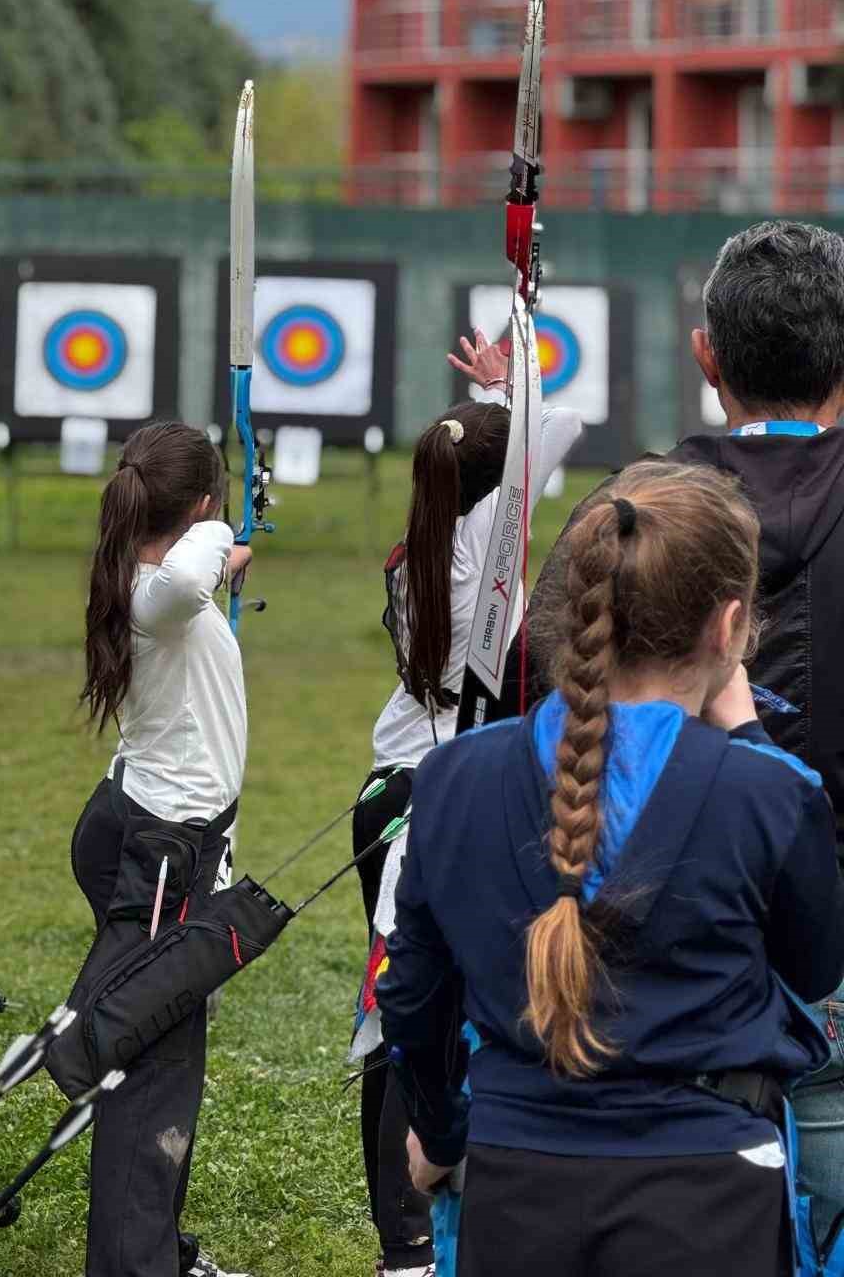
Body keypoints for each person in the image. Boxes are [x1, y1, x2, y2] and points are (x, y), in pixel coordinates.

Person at [379, 461, 844, 1277]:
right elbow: (814, 970)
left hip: (512, 1177)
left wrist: (441, 1133)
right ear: (730, 627)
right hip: (712, 1194)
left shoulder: (452, 777)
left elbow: (414, 996)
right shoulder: (770, 792)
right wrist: (748, 739)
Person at [502, 221, 844, 1248]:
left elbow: (535, 707)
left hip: (645, 964)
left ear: (706, 356)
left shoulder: (627, 516)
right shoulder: (636, 514)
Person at [350, 336, 581, 1277]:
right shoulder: (486, 542)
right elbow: (559, 427)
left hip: (390, 794)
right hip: (440, 802)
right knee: (425, 1016)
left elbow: (530, 443)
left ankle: (400, 1242)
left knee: (395, 1016)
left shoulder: (432, 533)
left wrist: (493, 399)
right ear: (499, 487)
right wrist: (512, 379)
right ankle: (412, 1240)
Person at [70, 421, 252, 1277]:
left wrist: (220, 547)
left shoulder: (140, 579)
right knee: (151, 1071)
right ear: (200, 506)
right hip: (162, 857)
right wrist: (224, 533)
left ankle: (153, 1250)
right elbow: (185, 575)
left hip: (157, 840)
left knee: (163, 1052)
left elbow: (186, 575)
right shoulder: (160, 592)